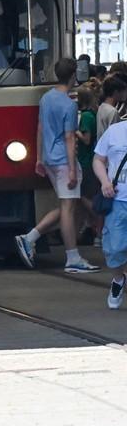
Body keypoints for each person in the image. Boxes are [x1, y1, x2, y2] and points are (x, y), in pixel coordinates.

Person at [15, 57, 99, 273]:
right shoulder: (69, 104)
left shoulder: (46, 98)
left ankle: (31, 237)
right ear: (73, 76)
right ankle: (71, 257)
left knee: (67, 206)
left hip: (50, 159)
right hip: (64, 160)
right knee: (69, 208)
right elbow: (70, 138)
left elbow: (41, 128)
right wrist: (72, 169)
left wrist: (39, 159)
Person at [92, 122, 127, 309]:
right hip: (118, 199)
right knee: (115, 249)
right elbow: (98, 159)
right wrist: (105, 181)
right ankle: (118, 279)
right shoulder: (114, 132)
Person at [76, 87, 104, 246]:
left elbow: (86, 139)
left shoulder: (85, 117)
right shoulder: (94, 115)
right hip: (90, 159)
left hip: (85, 161)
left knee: (82, 197)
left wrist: (74, 131)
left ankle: (97, 224)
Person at [97, 76, 126, 141]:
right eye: (123, 91)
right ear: (116, 92)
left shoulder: (102, 106)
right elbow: (115, 136)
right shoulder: (112, 111)